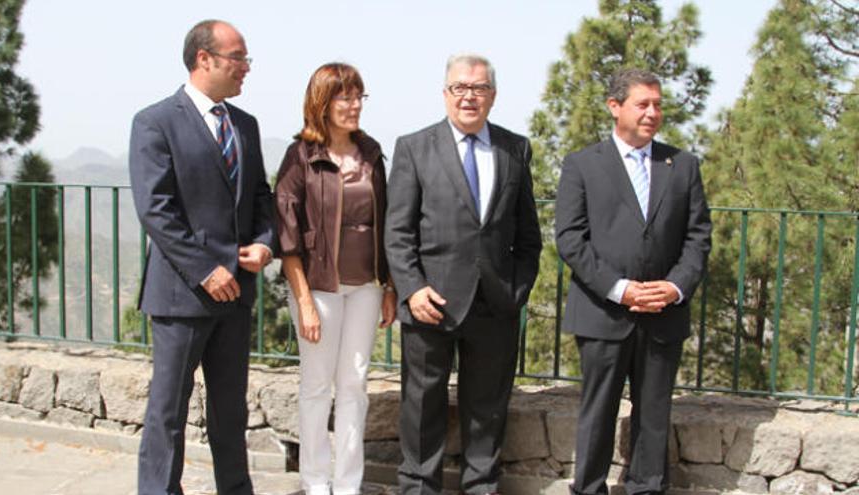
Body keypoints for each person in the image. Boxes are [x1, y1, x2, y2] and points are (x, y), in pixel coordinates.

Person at [128, 19, 274, 495]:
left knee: (231, 410)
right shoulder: (154, 122)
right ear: (203, 59)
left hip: (236, 295)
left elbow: (259, 197)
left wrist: (266, 241)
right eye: (238, 58)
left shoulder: (245, 125)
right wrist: (204, 270)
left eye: (246, 59)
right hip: (180, 295)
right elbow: (156, 209)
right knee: (167, 410)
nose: (246, 68)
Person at [385, 53, 542, 495]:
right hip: (430, 302)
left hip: (496, 303)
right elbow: (397, 232)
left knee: (488, 407)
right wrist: (412, 290)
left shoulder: (516, 148)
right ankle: (418, 486)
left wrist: (518, 288)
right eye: (460, 87)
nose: (469, 96)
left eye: (478, 88)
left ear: (493, 95)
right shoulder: (414, 147)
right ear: (445, 93)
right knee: (420, 404)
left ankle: (482, 486)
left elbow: (529, 235)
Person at [555, 68, 712, 495]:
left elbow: (698, 238)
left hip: (664, 314)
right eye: (643, 103)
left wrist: (674, 287)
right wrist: (620, 288)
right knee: (598, 412)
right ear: (615, 107)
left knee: (654, 414)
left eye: (658, 104)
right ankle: (588, 488)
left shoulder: (683, 165)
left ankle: (647, 488)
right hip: (602, 312)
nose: (653, 112)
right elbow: (570, 239)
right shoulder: (582, 165)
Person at [274, 62, 396, 495]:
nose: (355, 105)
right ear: (322, 103)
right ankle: (314, 481)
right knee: (316, 386)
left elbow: (389, 222)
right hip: (319, 288)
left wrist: (390, 286)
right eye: (345, 96)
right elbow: (287, 237)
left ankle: (347, 484)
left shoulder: (373, 152)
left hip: (366, 286)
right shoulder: (301, 157)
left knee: (354, 385)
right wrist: (304, 300)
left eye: (360, 95)